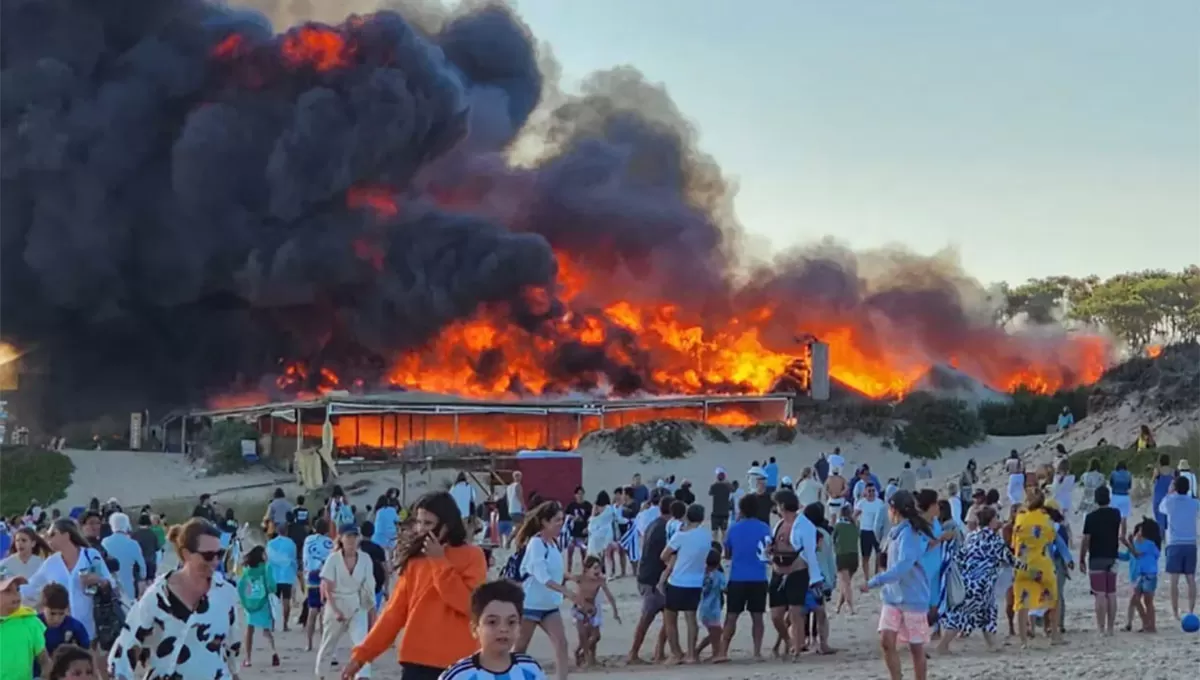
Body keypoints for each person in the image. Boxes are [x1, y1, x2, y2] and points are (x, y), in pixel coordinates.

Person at [346, 491, 487, 680]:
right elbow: (393, 614)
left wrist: (439, 562)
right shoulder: (415, 561)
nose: (421, 529)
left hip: (459, 663)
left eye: (428, 523)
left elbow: (469, 605)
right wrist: (361, 656)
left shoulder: (472, 556)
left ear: (447, 525)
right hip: (416, 659)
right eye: (419, 522)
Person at [108, 519, 242, 679]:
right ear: (186, 554)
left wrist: (235, 674)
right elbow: (125, 648)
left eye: (219, 554)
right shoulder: (157, 596)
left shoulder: (225, 593)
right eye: (207, 556)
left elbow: (232, 646)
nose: (215, 562)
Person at [860, 490, 935, 680]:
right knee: (886, 641)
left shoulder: (909, 533)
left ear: (894, 509)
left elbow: (903, 565)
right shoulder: (895, 533)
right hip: (892, 597)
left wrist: (875, 581)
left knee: (916, 648)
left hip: (912, 597)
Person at [508, 501, 578, 680]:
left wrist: (572, 577)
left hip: (549, 605)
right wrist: (567, 592)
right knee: (520, 649)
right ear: (544, 522)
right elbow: (542, 576)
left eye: (562, 520)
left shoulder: (553, 543)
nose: (560, 524)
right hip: (530, 604)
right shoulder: (536, 543)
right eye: (556, 520)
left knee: (561, 644)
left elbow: (556, 570)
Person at [22, 518, 115, 651]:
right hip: (62, 631)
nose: (48, 538)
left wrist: (98, 580)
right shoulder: (51, 563)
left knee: (89, 663)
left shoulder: (90, 555)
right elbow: (30, 587)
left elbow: (110, 583)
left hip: (89, 625)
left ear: (66, 535)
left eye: (53, 534)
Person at [936, 506, 1014, 653]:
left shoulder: (971, 536)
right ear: (991, 521)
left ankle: (992, 644)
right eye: (996, 518)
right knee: (964, 615)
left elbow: (961, 557)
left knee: (987, 612)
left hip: (969, 581)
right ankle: (943, 645)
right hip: (982, 584)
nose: (998, 521)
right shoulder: (994, 539)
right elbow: (1009, 559)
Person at [437, 579, 547, 680]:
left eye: (511, 622)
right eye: (492, 622)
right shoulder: (459, 675)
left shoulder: (530, 668)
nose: (503, 629)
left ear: (519, 627)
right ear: (475, 629)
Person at [316, 524, 375, 679]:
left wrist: (370, 610)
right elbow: (326, 588)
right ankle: (321, 674)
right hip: (336, 604)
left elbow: (369, 587)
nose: (351, 540)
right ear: (341, 538)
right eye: (348, 536)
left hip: (356, 605)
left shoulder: (365, 558)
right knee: (328, 644)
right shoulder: (333, 559)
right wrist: (335, 610)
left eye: (354, 537)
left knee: (361, 643)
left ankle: (362, 676)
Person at [659, 503, 713, 665]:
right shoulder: (706, 536)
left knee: (670, 618)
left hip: (677, 581)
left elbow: (663, 555)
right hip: (696, 582)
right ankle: (691, 653)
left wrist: (673, 562)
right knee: (691, 619)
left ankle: (676, 652)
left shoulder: (681, 536)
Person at [1010, 489, 1064, 646]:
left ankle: (1023, 641)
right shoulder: (1046, 520)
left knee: (1022, 602)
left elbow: (1014, 544)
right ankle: (1054, 635)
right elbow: (1050, 540)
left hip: (1022, 564)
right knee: (1054, 598)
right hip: (1041, 563)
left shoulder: (1020, 517)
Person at [720, 493, 770, 659]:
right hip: (758, 577)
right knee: (757, 617)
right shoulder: (764, 527)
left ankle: (723, 651)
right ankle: (756, 652)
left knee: (731, 616)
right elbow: (768, 551)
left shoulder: (733, 528)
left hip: (738, 577)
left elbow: (727, 554)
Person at [627, 495, 673, 664]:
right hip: (654, 579)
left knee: (668, 616)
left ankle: (658, 651)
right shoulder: (665, 528)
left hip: (647, 575)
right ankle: (635, 653)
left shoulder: (653, 524)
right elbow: (666, 555)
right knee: (649, 617)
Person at [766, 490, 805, 660]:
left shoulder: (800, 524)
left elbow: (808, 547)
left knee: (796, 613)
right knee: (776, 615)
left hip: (796, 572)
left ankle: (796, 647)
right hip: (777, 571)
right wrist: (770, 550)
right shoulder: (779, 524)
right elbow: (775, 544)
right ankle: (788, 640)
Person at [1079, 486, 1122, 635]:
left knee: (1100, 594)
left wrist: (1081, 558)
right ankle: (1111, 627)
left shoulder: (1091, 517)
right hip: (1112, 555)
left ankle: (1101, 627)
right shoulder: (1116, 514)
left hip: (1097, 556)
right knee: (1111, 592)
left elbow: (1086, 539)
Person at [567, 556, 619, 668]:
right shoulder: (580, 578)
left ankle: (582, 654)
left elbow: (610, 596)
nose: (598, 571)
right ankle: (586, 658)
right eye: (595, 568)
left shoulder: (600, 581)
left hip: (592, 610)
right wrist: (563, 591)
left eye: (599, 568)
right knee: (583, 635)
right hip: (579, 610)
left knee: (595, 636)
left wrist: (615, 612)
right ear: (587, 569)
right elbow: (565, 575)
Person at [1159, 475, 1199, 619]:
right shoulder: (1194, 503)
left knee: (1174, 580)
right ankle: (1191, 610)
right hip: (1190, 543)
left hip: (1174, 543)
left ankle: (1175, 612)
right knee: (1190, 579)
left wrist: (1170, 491)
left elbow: (1161, 508)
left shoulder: (1169, 501)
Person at [238, 545, 280, 668]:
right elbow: (272, 585)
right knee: (266, 629)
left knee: (249, 630)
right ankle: (273, 651)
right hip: (263, 603)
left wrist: (243, 601)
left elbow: (241, 586)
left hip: (250, 603)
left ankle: (248, 658)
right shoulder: (266, 568)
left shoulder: (247, 571)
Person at [1, 574, 49, 680]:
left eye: (17, 589)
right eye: (8, 591)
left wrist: (45, 676)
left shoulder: (30, 621)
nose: (16, 595)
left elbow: (44, 660)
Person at [39, 583, 91, 677]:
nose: (57, 619)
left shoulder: (75, 627)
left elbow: (89, 655)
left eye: (61, 614)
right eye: (52, 613)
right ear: (42, 608)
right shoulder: (33, 627)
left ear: (67, 609)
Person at [1120, 519, 1161, 632]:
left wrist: (1128, 543)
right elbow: (1129, 555)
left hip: (1148, 575)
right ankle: (1146, 622)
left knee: (1148, 601)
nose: (1138, 531)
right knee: (1135, 599)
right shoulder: (1138, 542)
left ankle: (1151, 626)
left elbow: (1137, 554)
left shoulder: (1150, 544)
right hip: (1138, 575)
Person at [303, 519, 335, 650]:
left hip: (311, 576)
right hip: (325, 576)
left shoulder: (308, 540)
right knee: (324, 612)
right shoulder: (330, 543)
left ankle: (309, 643)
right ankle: (323, 643)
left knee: (312, 611)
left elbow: (305, 558)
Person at [100, 513, 145, 606]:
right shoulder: (133, 544)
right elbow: (142, 568)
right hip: (129, 587)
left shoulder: (104, 542)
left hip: (111, 587)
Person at [694, 549, 727, 662]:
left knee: (715, 632)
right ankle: (713, 652)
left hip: (703, 607)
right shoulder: (718, 575)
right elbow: (725, 588)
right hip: (714, 608)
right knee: (716, 632)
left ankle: (707, 651)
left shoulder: (700, 573)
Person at [266, 520, 300, 631]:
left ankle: (272, 624)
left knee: (273, 602)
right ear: (287, 531)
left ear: (277, 530)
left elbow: (267, 561)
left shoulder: (270, 544)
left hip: (274, 577)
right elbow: (294, 561)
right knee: (286, 600)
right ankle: (285, 624)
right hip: (287, 576)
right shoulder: (291, 544)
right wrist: (295, 573)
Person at [855, 483, 887, 582]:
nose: (871, 493)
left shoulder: (880, 503)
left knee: (879, 554)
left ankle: (876, 575)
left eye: (873, 491)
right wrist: (856, 527)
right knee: (866, 556)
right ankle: (866, 578)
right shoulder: (861, 503)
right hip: (865, 531)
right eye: (869, 491)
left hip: (877, 532)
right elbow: (854, 516)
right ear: (865, 491)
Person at [833, 505, 861, 613]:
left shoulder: (839, 525)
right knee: (846, 583)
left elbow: (833, 539)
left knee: (846, 584)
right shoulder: (855, 525)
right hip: (854, 556)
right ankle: (838, 607)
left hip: (842, 555)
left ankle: (850, 607)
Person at [358, 521, 389, 615]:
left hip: (359, 587)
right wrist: (386, 589)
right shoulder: (378, 549)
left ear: (360, 532)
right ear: (373, 532)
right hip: (376, 587)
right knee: (372, 615)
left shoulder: (356, 548)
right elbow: (385, 570)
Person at [564, 487, 592, 574]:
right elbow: (565, 515)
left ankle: (585, 571)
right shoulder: (571, 506)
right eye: (578, 493)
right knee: (570, 552)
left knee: (584, 553)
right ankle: (569, 570)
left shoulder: (587, 505)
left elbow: (592, 518)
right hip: (573, 534)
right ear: (575, 495)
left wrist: (588, 528)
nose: (580, 495)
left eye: (581, 493)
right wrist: (572, 517)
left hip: (583, 534)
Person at [130, 514, 159, 589]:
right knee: (150, 583)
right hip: (151, 561)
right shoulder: (152, 534)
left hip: (138, 562)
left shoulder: (134, 535)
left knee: (140, 583)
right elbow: (157, 548)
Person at [1108, 461, 1134, 534]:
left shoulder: (1113, 473)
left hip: (1115, 496)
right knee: (1124, 519)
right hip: (1125, 497)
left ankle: (1114, 534)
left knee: (1114, 518)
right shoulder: (1129, 474)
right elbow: (1129, 486)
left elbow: (1111, 484)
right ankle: (1123, 535)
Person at [708, 469, 733, 542]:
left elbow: (710, 493)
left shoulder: (714, 486)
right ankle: (724, 549)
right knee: (724, 532)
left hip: (715, 512)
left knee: (714, 533)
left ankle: (715, 548)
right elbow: (733, 489)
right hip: (725, 512)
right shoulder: (728, 486)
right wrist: (727, 482)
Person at [506, 471, 526, 547]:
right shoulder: (518, 485)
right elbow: (520, 497)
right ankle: (511, 539)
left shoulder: (509, 487)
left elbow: (508, 500)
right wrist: (524, 507)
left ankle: (517, 542)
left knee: (518, 526)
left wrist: (509, 509)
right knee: (522, 525)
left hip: (511, 510)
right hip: (517, 509)